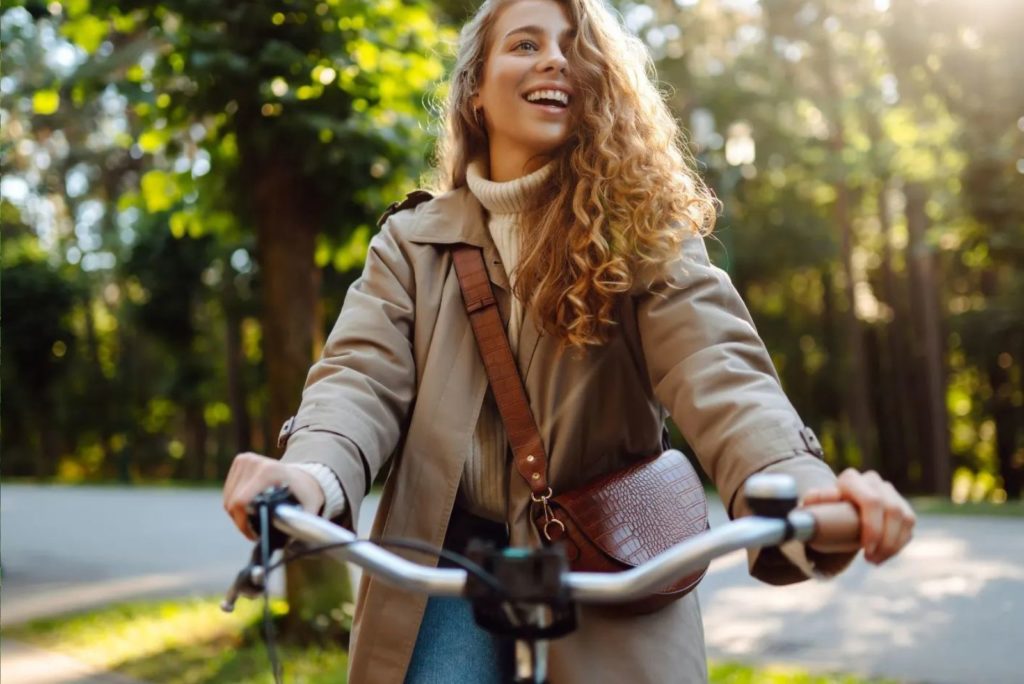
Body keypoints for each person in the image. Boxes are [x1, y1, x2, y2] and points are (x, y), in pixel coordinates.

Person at [222, 0, 917, 681]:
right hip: (448, 553)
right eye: (525, 43)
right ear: (474, 94)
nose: (555, 57)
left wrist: (799, 488)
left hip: (609, 554)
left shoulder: (646, 232)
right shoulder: (412, 243)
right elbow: (359, 380)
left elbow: (720, 370)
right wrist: (308, 475)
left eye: (574, 46)